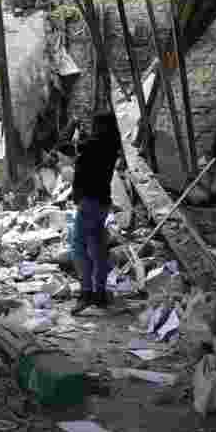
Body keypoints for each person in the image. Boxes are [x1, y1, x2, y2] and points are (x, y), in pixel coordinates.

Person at [70, 112, 121, 314]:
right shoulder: (111, 144)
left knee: (79, 247)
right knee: (98, 248)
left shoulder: (93, 144)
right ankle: (99, 293)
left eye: (95, 125)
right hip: (102, 202)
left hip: (89, 201)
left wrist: (73, 123)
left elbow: (66, 145)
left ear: (99, 126)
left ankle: (86, 293)